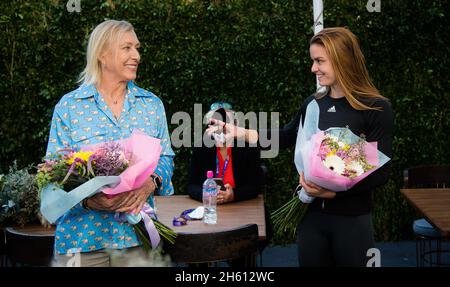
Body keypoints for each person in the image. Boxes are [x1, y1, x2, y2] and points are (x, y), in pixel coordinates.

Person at [208, 27, 393, 267]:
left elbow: (381, 173)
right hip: (311, 217)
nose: (313, 68)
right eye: (313, 61)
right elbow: (286, 136)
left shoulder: (376, 108)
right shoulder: (313, 103)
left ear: (342, 59)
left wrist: (335, 193)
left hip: (353, 220)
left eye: (319, 61)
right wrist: (238, 132)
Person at [45, 20, 175, 267]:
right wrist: (87, 200)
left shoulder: (152, 105)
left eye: (137, 48)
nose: (136, 55)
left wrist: (151, 183)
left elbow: (166, 158)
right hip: (81, 242)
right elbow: (53, 173)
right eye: (127, 48)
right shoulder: (69, 107)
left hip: (137, 240)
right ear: (102, 55)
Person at [187, 102, 262, 205]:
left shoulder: (248, 148)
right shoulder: (201, 148)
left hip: (241, 208)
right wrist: (205, 195)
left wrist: (234, 195)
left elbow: (255, 186)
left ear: (235, 125)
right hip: (210, 208)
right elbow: (191, 185)